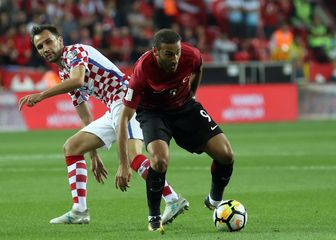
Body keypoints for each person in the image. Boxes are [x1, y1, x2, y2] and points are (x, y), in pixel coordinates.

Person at [18, 25, 189, 225]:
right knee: (72, 147)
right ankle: (79, 210)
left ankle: (173, 199)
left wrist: (41, 95)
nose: (45, 48)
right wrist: (93, 154)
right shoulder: (65, 73)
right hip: (114, 107)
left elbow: (77, 80)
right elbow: (84, 114)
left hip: (129, 99)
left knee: (133, 157)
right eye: (40, 46)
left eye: (48, 41)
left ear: (60, 41)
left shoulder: (75, 52)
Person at [116, 29, 235, 233]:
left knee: (226, 154)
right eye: (169, 54)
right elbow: (124, 119)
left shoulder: (191, 55)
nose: (175, 58)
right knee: (159, 161)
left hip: (185, 107)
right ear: (156, 52)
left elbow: (198, 68)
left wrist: (192, 95)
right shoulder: (142, 71)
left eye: (177, 52)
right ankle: (154, 216)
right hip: (153, 114)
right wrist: (123, 164)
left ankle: (215, 200)